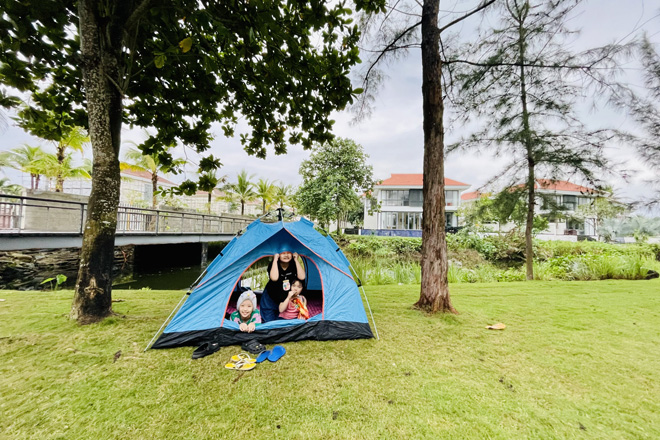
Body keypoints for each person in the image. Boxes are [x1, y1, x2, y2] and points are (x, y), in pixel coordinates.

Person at [259, 251, 306, 322]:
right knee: (269, 321)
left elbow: (302, 277)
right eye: (283, 253)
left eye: (288, 253)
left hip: (285, 296)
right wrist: (275, 259)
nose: (286, 255)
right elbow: (274, 278)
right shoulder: (273, 264)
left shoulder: (293, 264)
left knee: (282, 319)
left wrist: (296, 260)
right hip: (272, 295)